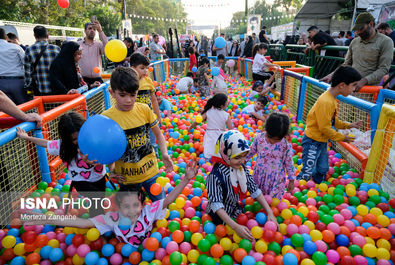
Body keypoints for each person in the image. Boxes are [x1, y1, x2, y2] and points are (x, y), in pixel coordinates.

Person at [26, 163, 198, 247]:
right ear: (119, 207)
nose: (131, 211)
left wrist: (186, 179)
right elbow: (83, 223)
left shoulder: (148, 211)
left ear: (142, 204)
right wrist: (45, 218)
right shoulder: (112, 218)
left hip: (150, 248)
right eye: (126, 207)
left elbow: (168, 200)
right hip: (125, 252)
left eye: (135, 205)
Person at [103, 67, 173, 201]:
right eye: (122, 95)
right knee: (130, 215)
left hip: (150, 171)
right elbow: (107, 149)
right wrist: (111, 170)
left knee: (161, 207)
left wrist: (164, 154)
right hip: (126, 178)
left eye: (133, 94)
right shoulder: (107, 118)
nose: (129, 100)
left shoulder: (144, 109)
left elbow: (158, 135)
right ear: (112, 93)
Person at [17, 112, 107, 216]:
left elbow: (106, 153)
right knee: (96, 198)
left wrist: (97, 162)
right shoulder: (62, 146)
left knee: (99, 198)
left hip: (99, 177)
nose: (79, 141)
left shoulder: (93, 141)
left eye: (81, 136)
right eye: (74, 139)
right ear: (67, 139)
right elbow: (45, 143)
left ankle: (98, 218)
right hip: (80, 180)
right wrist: (26, 137)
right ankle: (98, 222)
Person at [206, 130, 278, 240]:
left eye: (244, 156)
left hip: (235, 210)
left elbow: (253, 188)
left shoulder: (241, 168)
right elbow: (217, 205)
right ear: (225, 154)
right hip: (218, 218)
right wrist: (235, 227)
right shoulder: (215, 177)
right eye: (237, 157)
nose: (242, 161)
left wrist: (270, 212)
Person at [297, 66, 363, 183]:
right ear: (342, 85)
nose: (354, 89)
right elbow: (324, 128)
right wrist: (342, 137)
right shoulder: (326, 101)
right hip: (312, 140)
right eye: (353, 85)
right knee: (308, 169)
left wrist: (349, 125)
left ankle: (316, 185)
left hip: (321, 141)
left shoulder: (332, 99)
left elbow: (331, 121)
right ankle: (297, 187)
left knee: (323, 168)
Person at [321, 13, 394, 90]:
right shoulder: (354, 42)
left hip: (370, 90)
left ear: (371, 24)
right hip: (350, 87)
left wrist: (364, 81)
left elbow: (383, 69)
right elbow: (346, 64)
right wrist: (331, 76)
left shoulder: (386, 41)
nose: (358, 32)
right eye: (357, 30)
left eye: (361, 29)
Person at [246, 113, 295, 199]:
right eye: (270, 137)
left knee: (273, 202)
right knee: (257, 197)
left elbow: (289, 164)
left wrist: (291, 180)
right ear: (266, 129)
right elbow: (251, 151)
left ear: (284, 136)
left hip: (276, 180)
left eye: (277, 139)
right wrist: (242, 160)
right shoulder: (259, 138)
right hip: (259, 175)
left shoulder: (285, 146)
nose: (272, 141)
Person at [129, 53, 162, 156]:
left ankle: (154, 158)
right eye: (142, 68)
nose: (145, 71)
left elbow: (154, 99)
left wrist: (158, 116)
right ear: (132, 68)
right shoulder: (128, 83)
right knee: (137, 142)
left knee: (152, 141)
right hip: (135, 120)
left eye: (146, 68)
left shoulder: (147, 81)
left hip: (149, 117)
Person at [24, 26, 60, 96]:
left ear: (34, 36)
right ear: (47, 36)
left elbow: (28, 73)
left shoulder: (29, 50)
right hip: (57, 89)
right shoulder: (56, 49)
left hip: (40, 91)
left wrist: (29, 89)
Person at [0, 28, 28, 105]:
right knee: (26, 107)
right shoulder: (16, 47)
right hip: (18, 82)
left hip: (1, 83)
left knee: (8, 110)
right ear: (6, 37)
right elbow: (26, 62)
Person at [78, 21, 108, 88]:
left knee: (100, 98)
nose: (92, 30)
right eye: (90, 28)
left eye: (94, 29)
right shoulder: (78, 45)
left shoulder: (99, 44)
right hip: (83, 80)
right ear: (85, 31)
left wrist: (100, 30)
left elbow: (107, 48)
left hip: (98, 80)